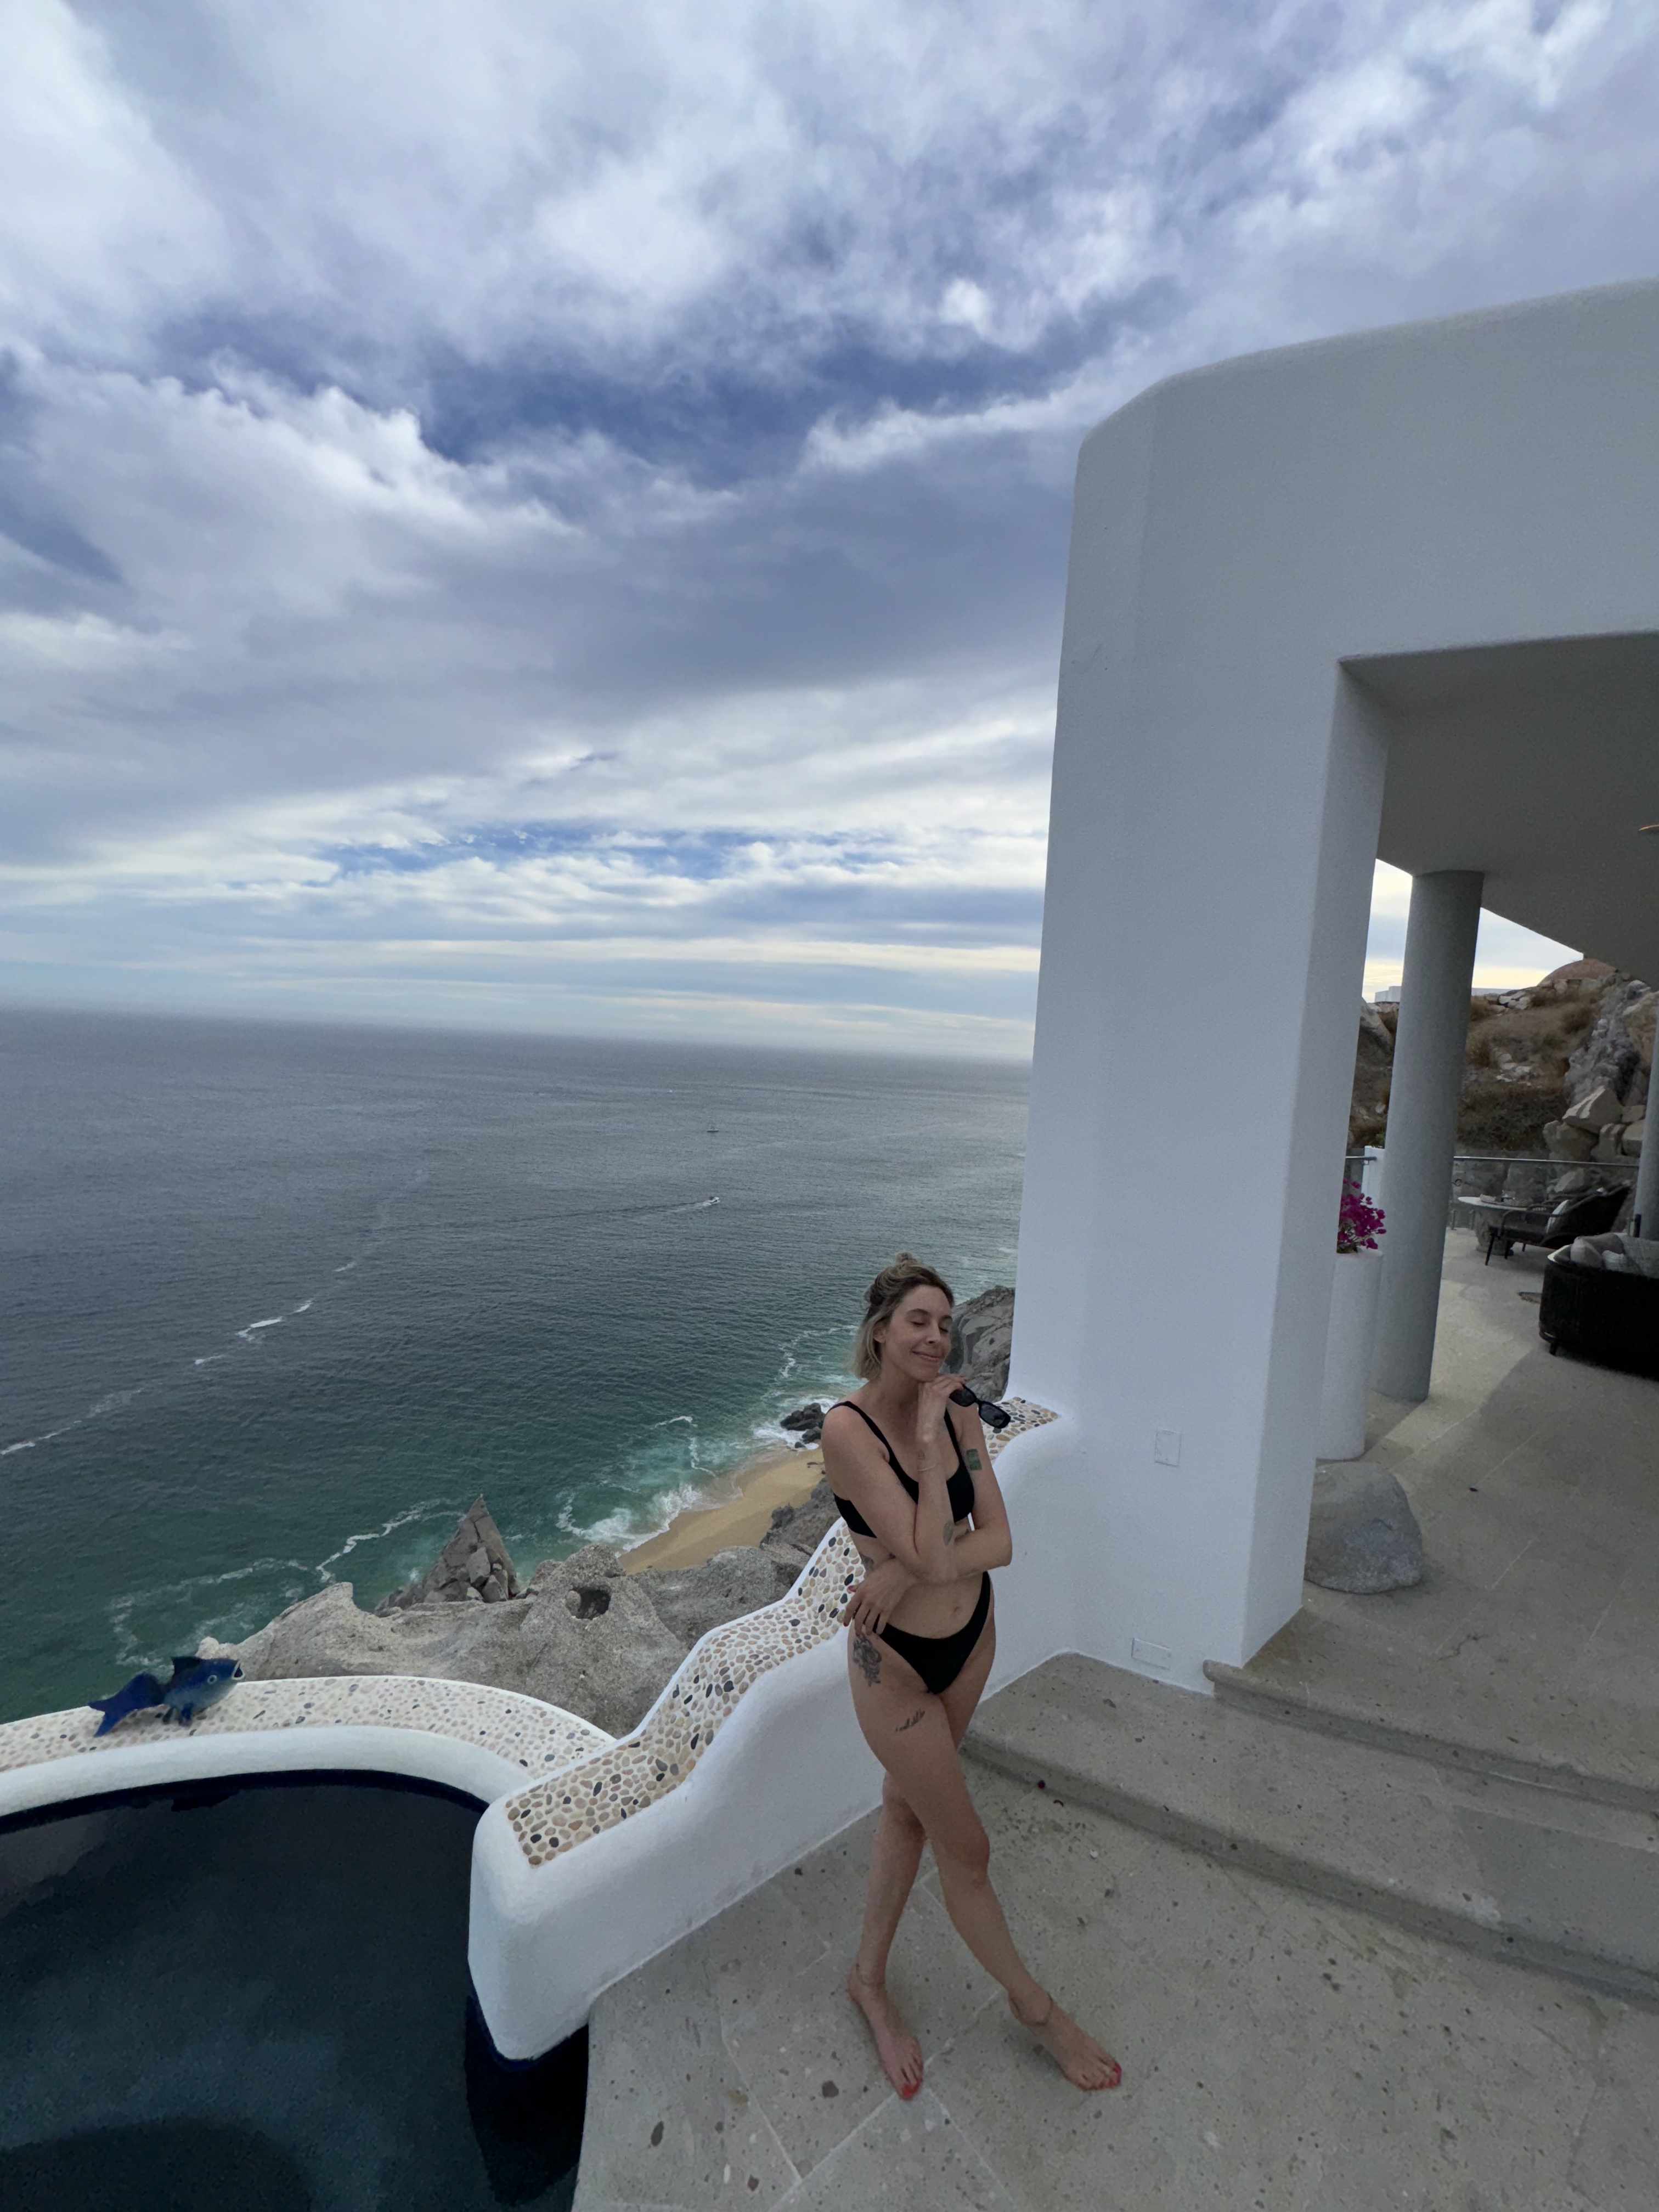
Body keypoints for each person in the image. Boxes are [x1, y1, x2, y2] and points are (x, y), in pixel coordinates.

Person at [821, 1252, 1121, 2099]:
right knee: (970, 1848)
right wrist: (924, 1453)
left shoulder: (960, 1414)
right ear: (880, 1330)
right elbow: (934, 1544)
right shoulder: (851, 1431)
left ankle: (868, 1979)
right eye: (919, 1321)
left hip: (973, 1640)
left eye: (946, 1325)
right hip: (901, 1672)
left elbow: (1000, 1542)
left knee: (906, 1812)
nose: (936, 1338)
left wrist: (910, 1567)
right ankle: (1041, 2015)